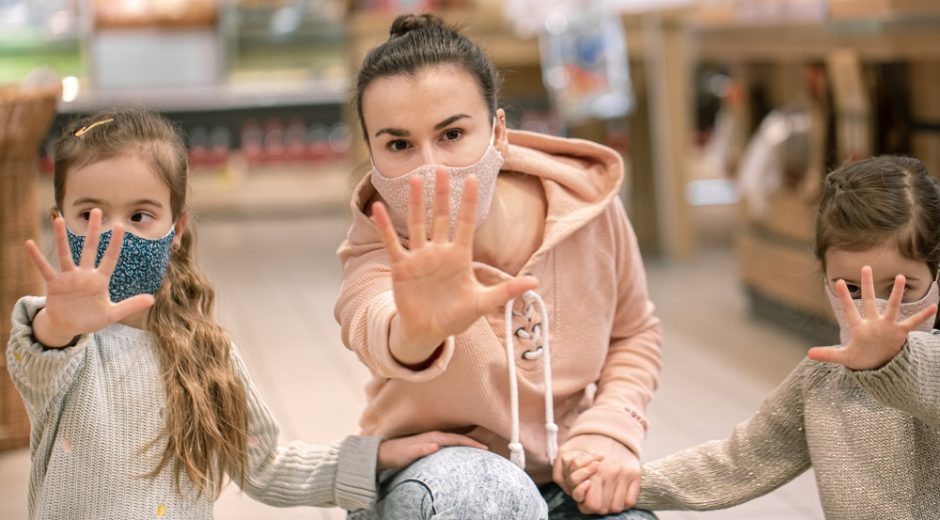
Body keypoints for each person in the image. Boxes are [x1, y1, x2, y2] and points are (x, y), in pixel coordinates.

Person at [6, 109, 484, 519]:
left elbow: (265, 465)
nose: (113, 234)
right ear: (59, 221)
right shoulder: (57, 341)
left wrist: (376, 458)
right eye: (90, 214)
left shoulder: (206, 351)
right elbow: (37, 358)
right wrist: (62, 325)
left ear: (177, 230)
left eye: (139, 216)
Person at [334, 13, 662, 519]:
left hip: (565, 472)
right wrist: (416, 332)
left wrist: (610, 429)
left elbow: (634, 332)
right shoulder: (377, 248)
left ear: (498, 132)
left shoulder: (587, 210)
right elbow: (373, 324)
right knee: (478, 490)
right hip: (434, 480)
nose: (430, 168)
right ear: (372, 154)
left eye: (451, 135)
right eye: (399, 145)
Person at [618, 156, 940, 518]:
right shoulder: (820, 379)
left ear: (936, 276)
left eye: (900, 289)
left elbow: (926, 381)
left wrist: (892, 360)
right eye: (851, 288)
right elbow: (741, 460)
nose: (873, 316)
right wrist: (630, 482)